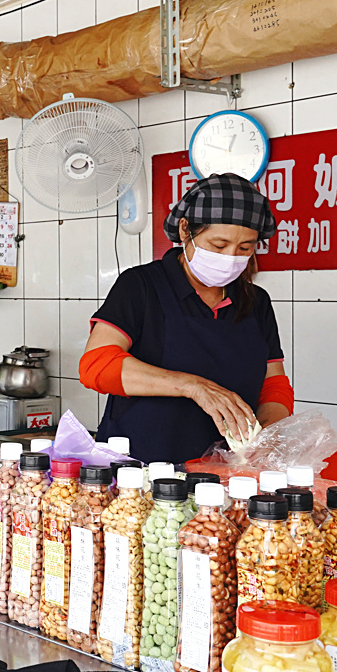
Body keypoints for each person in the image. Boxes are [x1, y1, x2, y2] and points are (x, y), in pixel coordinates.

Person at [78, 173, 293, 463]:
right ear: (185, 230)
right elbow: (96, 365)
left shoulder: (257, 302)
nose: (231, 256)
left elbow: (273, 383)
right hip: (140, 472)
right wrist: (194, 387)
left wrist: (266, 436)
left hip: (228, 474)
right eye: (219, 245)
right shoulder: (142, 286)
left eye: (245, 248)